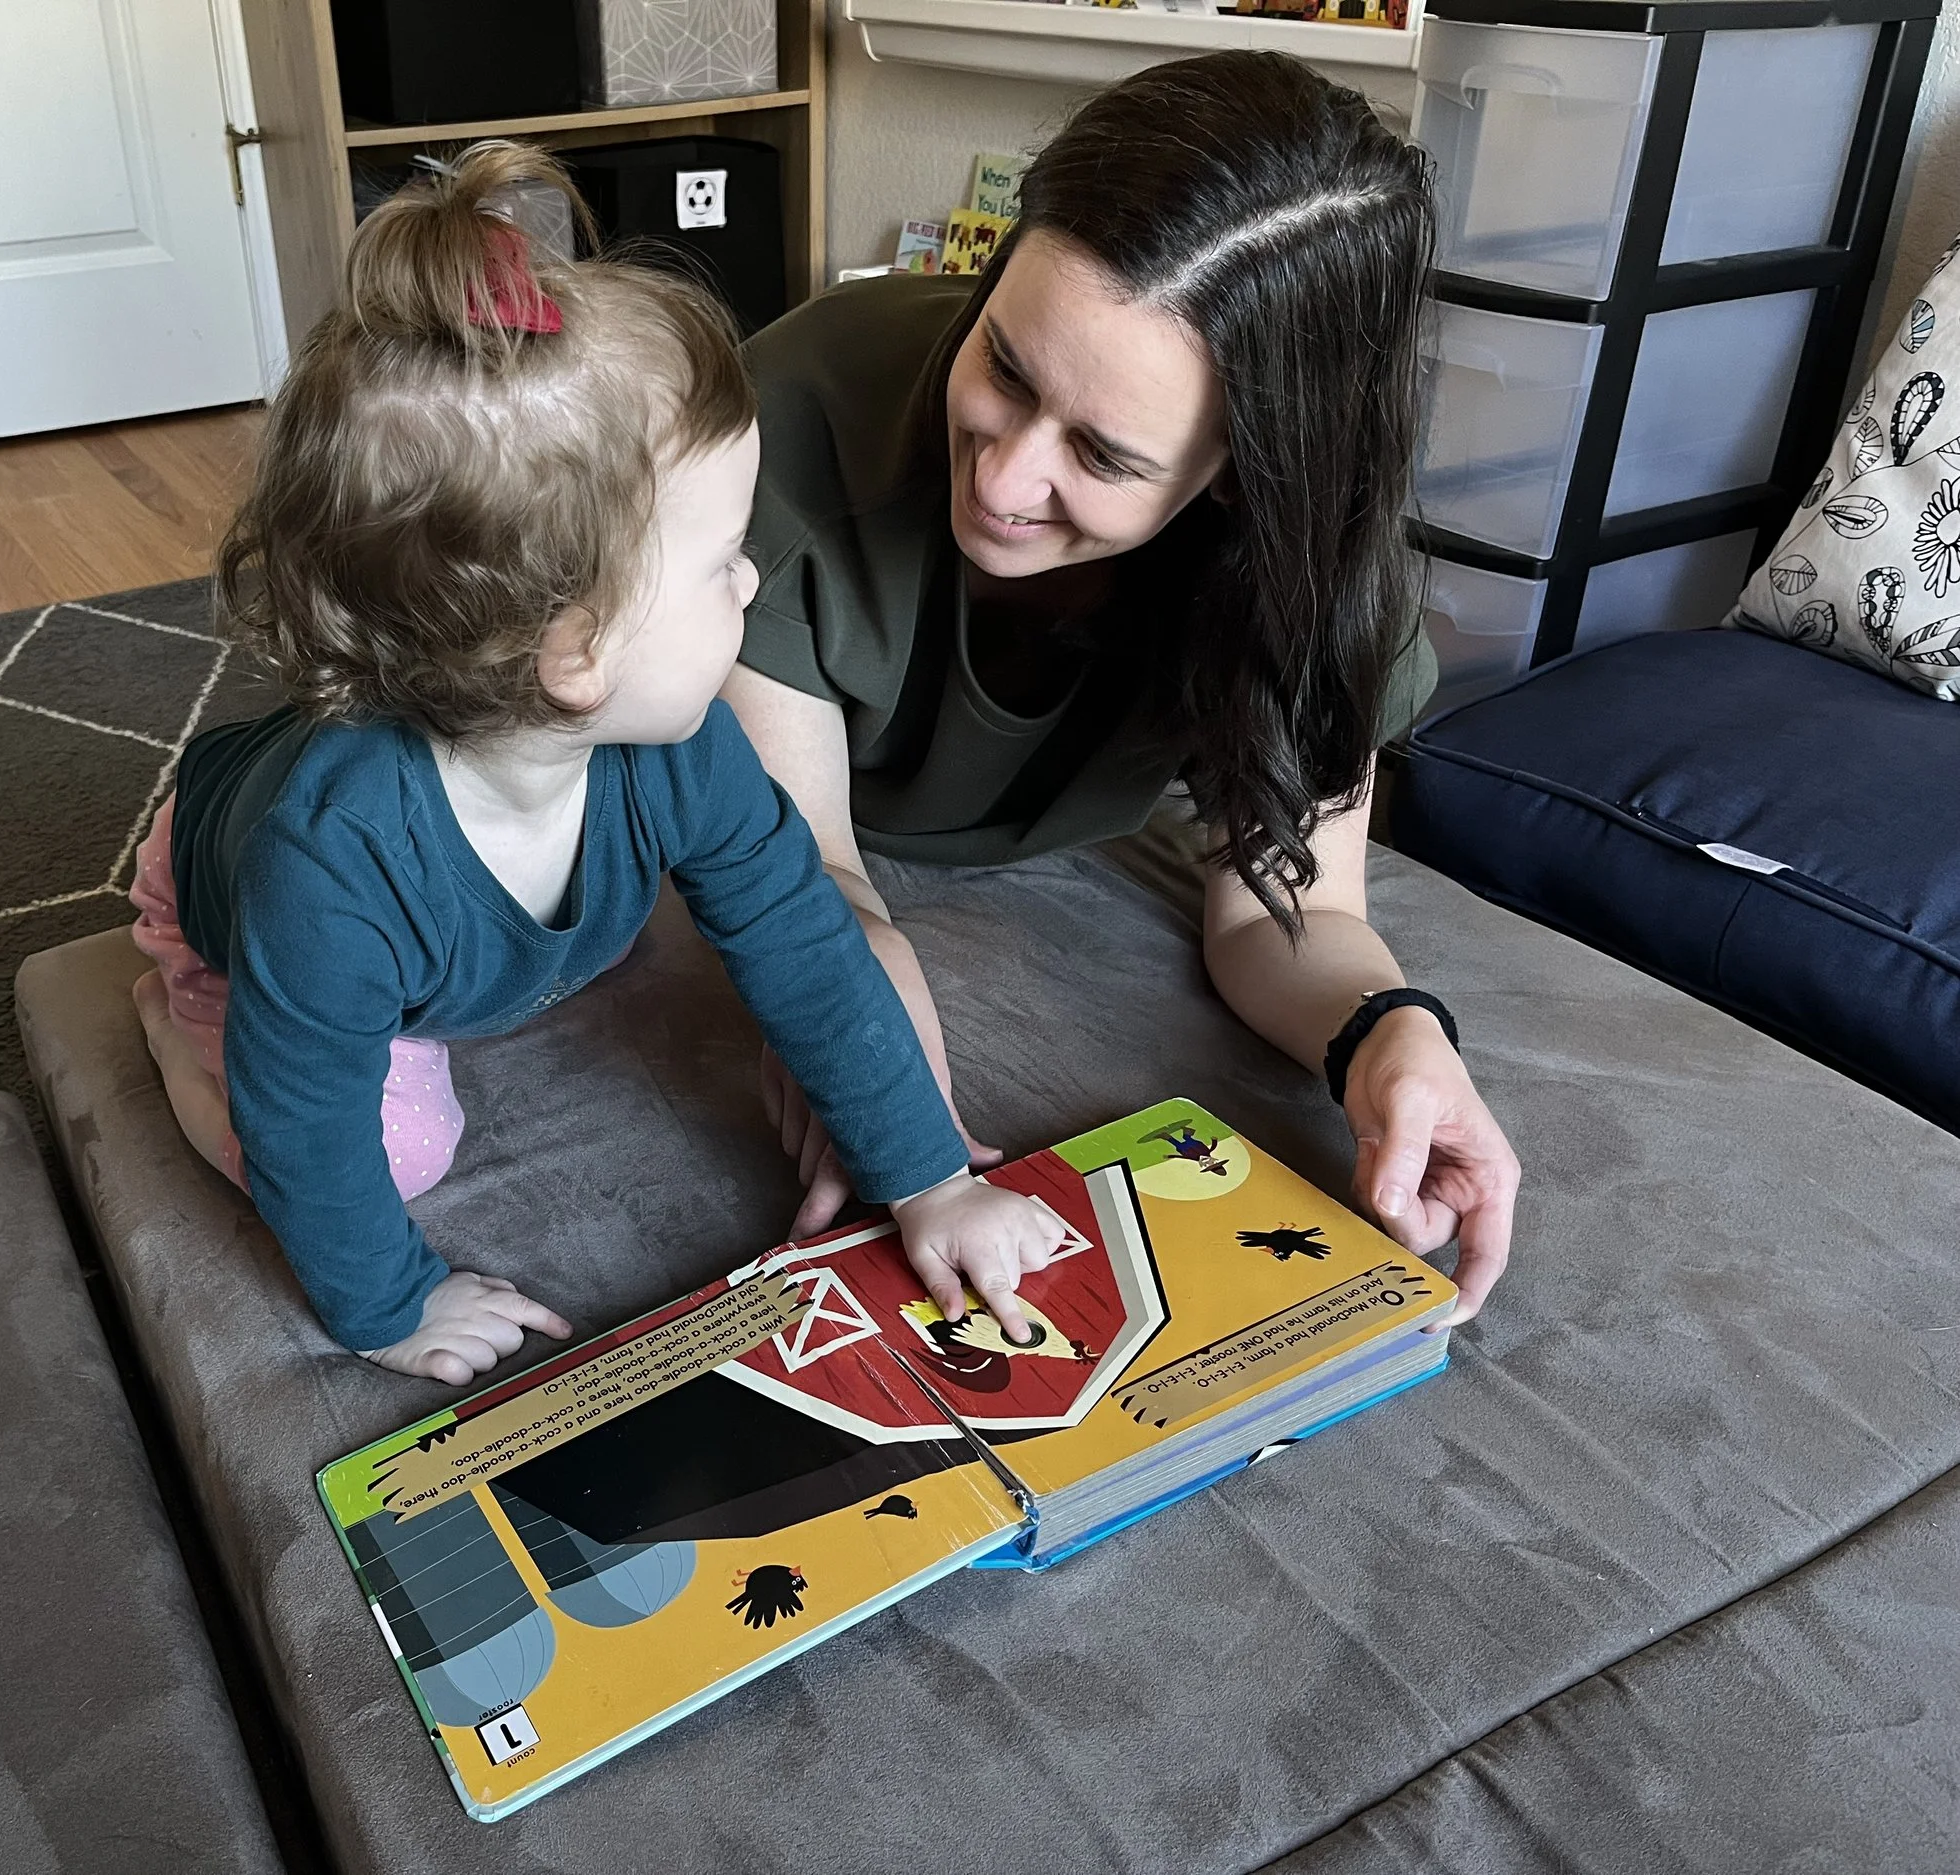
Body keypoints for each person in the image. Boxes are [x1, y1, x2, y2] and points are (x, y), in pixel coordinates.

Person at [126, 143, 1064, 1384]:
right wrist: (388, 1308)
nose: (753, 579)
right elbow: (310, 1133)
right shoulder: (329, 871)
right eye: (725, 552)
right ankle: (164, 1020)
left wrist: (931, 1182)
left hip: (440, 862)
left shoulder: (678, 745)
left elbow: (807, 947)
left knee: (627, 930)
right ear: (574, 650)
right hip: (219, 882)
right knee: (389, 1142)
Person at [725, 54, 1521, 1322]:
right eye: (1006, 368)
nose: (1002, 477)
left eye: (1100, 454)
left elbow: (1278, 916)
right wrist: (859, 1036)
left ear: (1241, 478)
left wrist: (1389, 1035)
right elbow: (806, 873)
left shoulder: (1307, 585)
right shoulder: (782, 428)